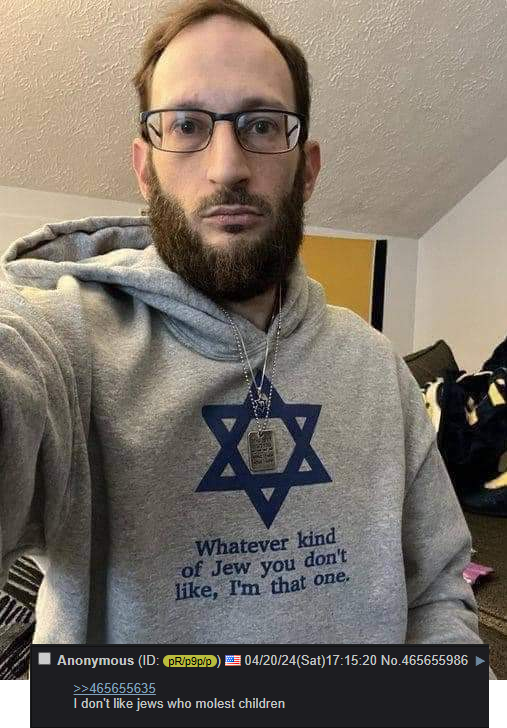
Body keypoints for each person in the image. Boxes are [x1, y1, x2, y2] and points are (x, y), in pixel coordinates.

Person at [0, 0, 495, 678]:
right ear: (145, 168)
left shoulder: (375, 364)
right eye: (187, 125)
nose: (227, 166)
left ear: (307, 169)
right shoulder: (65, 342)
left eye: (262, 125)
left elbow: (437, 590)